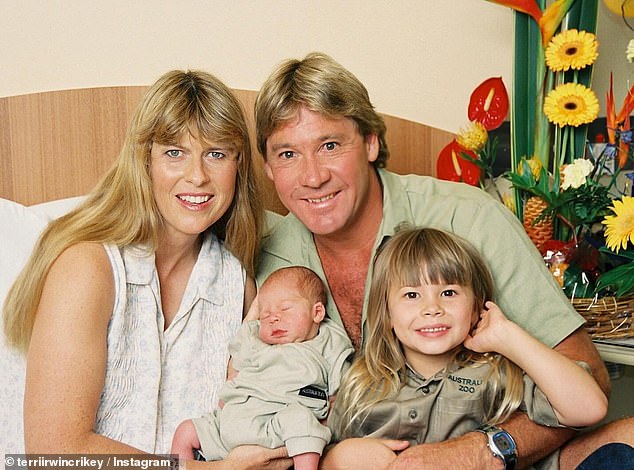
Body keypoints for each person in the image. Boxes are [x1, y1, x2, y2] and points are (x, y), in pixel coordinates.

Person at [254, 52, 634, 468]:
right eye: (288, 154)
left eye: (329, 145)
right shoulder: (268, 254)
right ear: (268, 168)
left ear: (369, 143)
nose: (312, 176)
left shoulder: (466, 218)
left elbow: (590, 383)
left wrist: (482, 452)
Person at [3, 70, 291, 469]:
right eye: (175, 152)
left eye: (217, 154)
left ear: (239, 165)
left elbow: (245, 417)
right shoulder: (88, 268)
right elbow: (54, 452)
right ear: (145, 161)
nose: (197, 176)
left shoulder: (237, 285)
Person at [325, 227, 608, 469]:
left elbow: (589, 408)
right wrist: (335, 459)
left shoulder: (498, 373)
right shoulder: (361, 382)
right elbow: (314, 451)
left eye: (448, 293)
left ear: (476, 307)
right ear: (386, 314)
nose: (432, 308)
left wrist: (507, 335)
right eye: (412, 295)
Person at [171, 266, 354, 470]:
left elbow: (343, 387)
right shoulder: (253, 337)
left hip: (279, 422)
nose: (273, 318)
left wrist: (331, 411)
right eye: (265, 315)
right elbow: (236, 369)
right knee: (186, 430)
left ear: (317, 312)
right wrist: (230, 393)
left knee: (302, 422)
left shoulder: (328, 342)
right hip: (233, 421)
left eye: (285, 309)